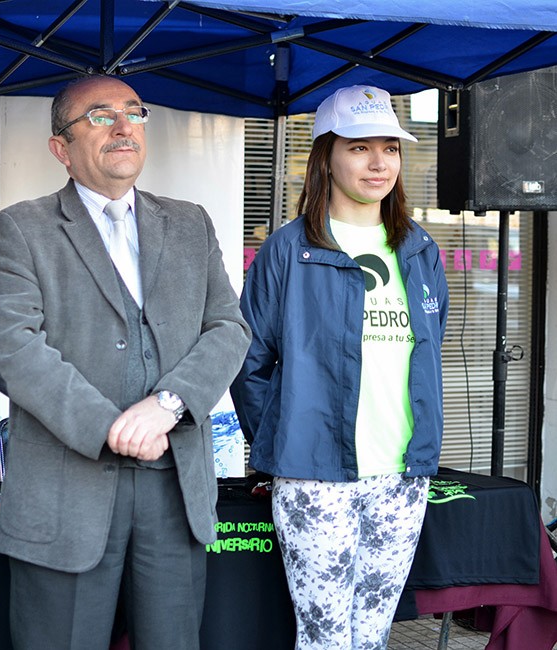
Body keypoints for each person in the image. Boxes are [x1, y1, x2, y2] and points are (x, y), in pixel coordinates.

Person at [0, 75, 251, 650]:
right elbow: (13, 349)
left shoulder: (190, 222)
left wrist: (168, 405)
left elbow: (228, 328)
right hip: (64, 491)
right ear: (62, 148)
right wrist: (110, 427)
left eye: (134, 113)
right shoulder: (21, 228)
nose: (124, 126)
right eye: (100, 116)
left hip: (174, 490)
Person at [231, 85, 448, 649]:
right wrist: (282, 441)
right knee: (325, 637)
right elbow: (247, 360)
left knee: (374, 636)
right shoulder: (287, 249)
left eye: (391, 148)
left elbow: (426, 352)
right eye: (359, 147)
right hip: (314, 475)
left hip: (402, 475)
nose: (379, 163)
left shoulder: (420, 249)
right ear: (326, 154)